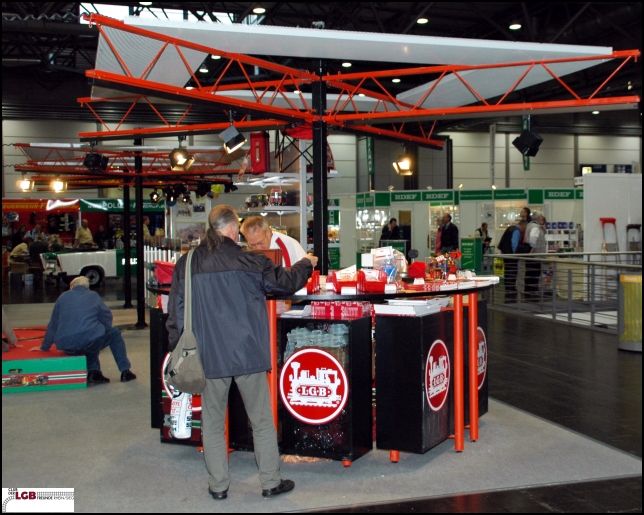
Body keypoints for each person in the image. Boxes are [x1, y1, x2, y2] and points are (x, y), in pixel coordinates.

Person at [167, 205, 317, 500]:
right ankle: (270, 482)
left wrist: (178, 349)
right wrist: (306, 263)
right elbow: (285, 283)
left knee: (211, 422)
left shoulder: (187, 263)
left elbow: (176, 312)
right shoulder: (250, 259)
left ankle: (218, 486)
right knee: (260, 420)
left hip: (208, 355)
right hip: (247, 352)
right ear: (234, 229)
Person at [30, 276, 137, 384]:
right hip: (89, 341)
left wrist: (44, 347)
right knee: (111, 334)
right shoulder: (93, 296)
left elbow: (53, 324)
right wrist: (103, 329)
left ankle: (94, 373)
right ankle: (125, 371)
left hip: (67, 346)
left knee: (91, 337)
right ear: (88, 288)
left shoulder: (62, 297)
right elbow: (107, 316)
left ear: (71, 286)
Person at [240, 215, 308, 267]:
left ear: (268, 233)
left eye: (260, 243)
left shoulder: (284, 246)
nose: (258, 248)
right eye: (252, 245)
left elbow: (286, 281)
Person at [497, 220, 525, 303]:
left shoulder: (510, 228)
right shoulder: (516, 231)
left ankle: (508, 288)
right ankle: (511, 288)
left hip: (506, 253)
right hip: (511, 255)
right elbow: (514, 244)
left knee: (507, 271)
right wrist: (515, 254)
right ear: (522, 226)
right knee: (512, 271)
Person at [524, 213, 547, 301]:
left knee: (529, 274)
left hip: (532, 256)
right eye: (541, 217)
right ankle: (532, 293)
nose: (542, 219)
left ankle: (529, 292)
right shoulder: (535, 227)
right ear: (538, 218)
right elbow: (533, 238)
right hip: (536, 256)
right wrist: (532, 251)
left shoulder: (530, 225)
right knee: (534, 274)